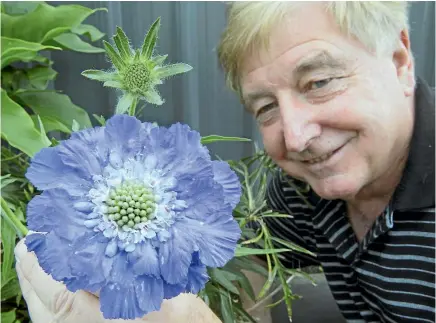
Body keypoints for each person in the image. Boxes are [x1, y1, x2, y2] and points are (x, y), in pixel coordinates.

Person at [15, 1, 435, 322]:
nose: (296, 136)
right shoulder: (303, 186)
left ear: (399, 62)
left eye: (319, 82)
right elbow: (253, 260)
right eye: (266, 107)